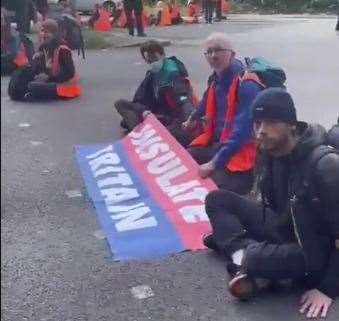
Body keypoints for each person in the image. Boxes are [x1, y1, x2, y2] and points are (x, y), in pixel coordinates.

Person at [204, 88, 339, 318]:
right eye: (257, 123)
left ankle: (248, 260)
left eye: (272, 122)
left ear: (291, 124)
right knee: (217, 200)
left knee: (253, 256)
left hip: (312, 251)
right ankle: (245, 262)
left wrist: (327, 289)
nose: (261, 131)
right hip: (281, 227)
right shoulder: (267, 151)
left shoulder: (325, 165)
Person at [183, 33, 263, 194]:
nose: (213, 56)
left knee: (209, 190)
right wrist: (192, 118)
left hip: (243, 154)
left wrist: (214, 163)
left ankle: (254, 182)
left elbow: (242, 132)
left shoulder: (247, 85)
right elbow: (206, 99)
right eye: (209, 52)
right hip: (220, 145)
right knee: (184, 158)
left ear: (232, 54)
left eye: (218, 50)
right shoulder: (216, 78)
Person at [114, 40, 196, 147]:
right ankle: (145, 132)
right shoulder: (152, 74)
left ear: (162, 54)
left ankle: (145, 133)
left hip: (171, 118)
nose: (152, 63)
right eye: (149, 61)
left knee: (174, 133)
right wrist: (144, 111)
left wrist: (189, 121)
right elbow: (141, 98)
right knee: (120, 104)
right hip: (154, 114)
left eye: (154, 59)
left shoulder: (173, 74)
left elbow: (184, 102)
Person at [24, 19, 81, 100]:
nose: (44, 35)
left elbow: (70, 73)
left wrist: (49, 77)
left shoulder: (62, 49)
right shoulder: (43, 49)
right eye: (42, 32)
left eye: (47, 32)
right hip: (50, 82)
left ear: (54, 34)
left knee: (33, 86)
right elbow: (42, 70)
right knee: (24, 83)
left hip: (65, 87)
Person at [1, 9, 29, 75]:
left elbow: (12, 54)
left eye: (1, 19)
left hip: (14, 62)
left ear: (5, 20)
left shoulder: (12, 34)